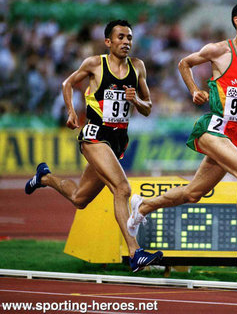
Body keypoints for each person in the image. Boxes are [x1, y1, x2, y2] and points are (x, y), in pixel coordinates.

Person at [127, 1, 237, 272]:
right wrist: (194, 89)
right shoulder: (219, 51)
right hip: (214, 129)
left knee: (194, 193)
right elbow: (184, 63)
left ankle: (142, 207)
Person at [25, 20, 163, 272]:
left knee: (80, 198)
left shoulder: (138, 67)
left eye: (129, 37)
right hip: (94, 134)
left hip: (118, 139)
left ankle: (44, 178)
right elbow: (67, 84)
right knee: (122, 188)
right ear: (108, 42)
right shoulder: (94, 64)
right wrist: (70, 112)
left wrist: (137, 101)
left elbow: (148, 108)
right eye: (120, 37)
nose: (126, 42)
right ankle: (136, 253)